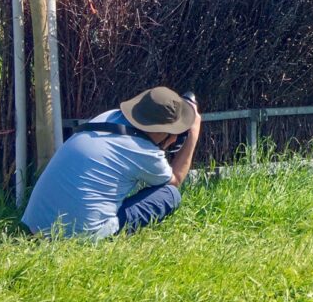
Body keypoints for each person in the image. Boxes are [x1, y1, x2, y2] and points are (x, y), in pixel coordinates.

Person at [22, 86, 201, 240]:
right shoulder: (143, 151)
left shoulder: (108, 117)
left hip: (35, 226)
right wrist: (193, 134)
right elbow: (175, 179)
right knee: (170, 195)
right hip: (81, 236)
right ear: (163, 130)